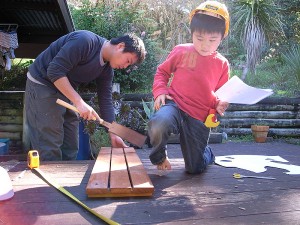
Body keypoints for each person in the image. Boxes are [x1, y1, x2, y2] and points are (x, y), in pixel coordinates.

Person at [25, 30, 146, 161]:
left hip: (65, 90)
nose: (125, 66)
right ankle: (48, 180)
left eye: (129, 65)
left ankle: (65, 180)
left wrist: (114, 133)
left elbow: (105, 101)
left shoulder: (106, 70)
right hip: (42, 83)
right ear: (120, 46)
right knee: (49, 146)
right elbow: (54, 71)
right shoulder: (85, 41)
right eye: (128, 60)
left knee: (70, 145)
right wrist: (79, 102)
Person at [147, 1, 230, 174]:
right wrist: (160, 91)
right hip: (175, 105)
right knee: (158, 123)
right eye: (199, 38)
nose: (205, 45)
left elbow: (222, 95)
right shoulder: (181, 51)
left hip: (199, 116)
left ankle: (206, 154)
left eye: (212, 40)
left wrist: (220, 105)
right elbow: (162, 72)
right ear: (191, 33)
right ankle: (159, 157)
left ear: (222, 37)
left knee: (194, 168)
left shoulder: (222, 64)